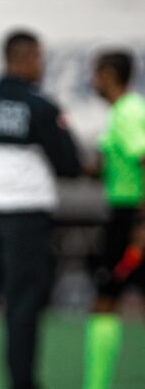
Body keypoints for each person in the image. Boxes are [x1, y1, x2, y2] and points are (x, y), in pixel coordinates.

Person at [0, 29, 82, 389]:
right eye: (39, 58)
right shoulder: (40, 107)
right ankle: (21, 381)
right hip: (24, 218)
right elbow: (69, 165)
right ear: (26, 59)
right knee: (22, 306)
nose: (42, 66)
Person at [83, 50, 145, 389]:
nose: (92, 82)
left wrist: (141, 224)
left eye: (95, 74)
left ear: (108, 75)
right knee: (106, 296)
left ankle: (96, 384)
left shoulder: (128, 113)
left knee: (105, 299)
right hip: (124, 214)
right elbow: (108, 168)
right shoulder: (122, 113)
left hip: (132, 216)